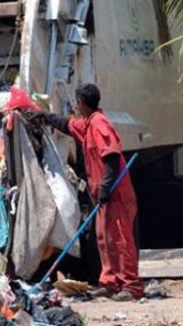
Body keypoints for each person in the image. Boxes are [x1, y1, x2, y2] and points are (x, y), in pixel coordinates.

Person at [28, 83, 144, 301]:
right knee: (104, 239)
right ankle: (110, 282)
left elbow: (111, 157)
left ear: (81, 103)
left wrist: (106, 188)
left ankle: (131, 286)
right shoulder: (88, 124)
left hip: (115, 194)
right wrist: (44, 116)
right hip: (102, 194)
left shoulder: (100, 125)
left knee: (120, 240)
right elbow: (67, 125)